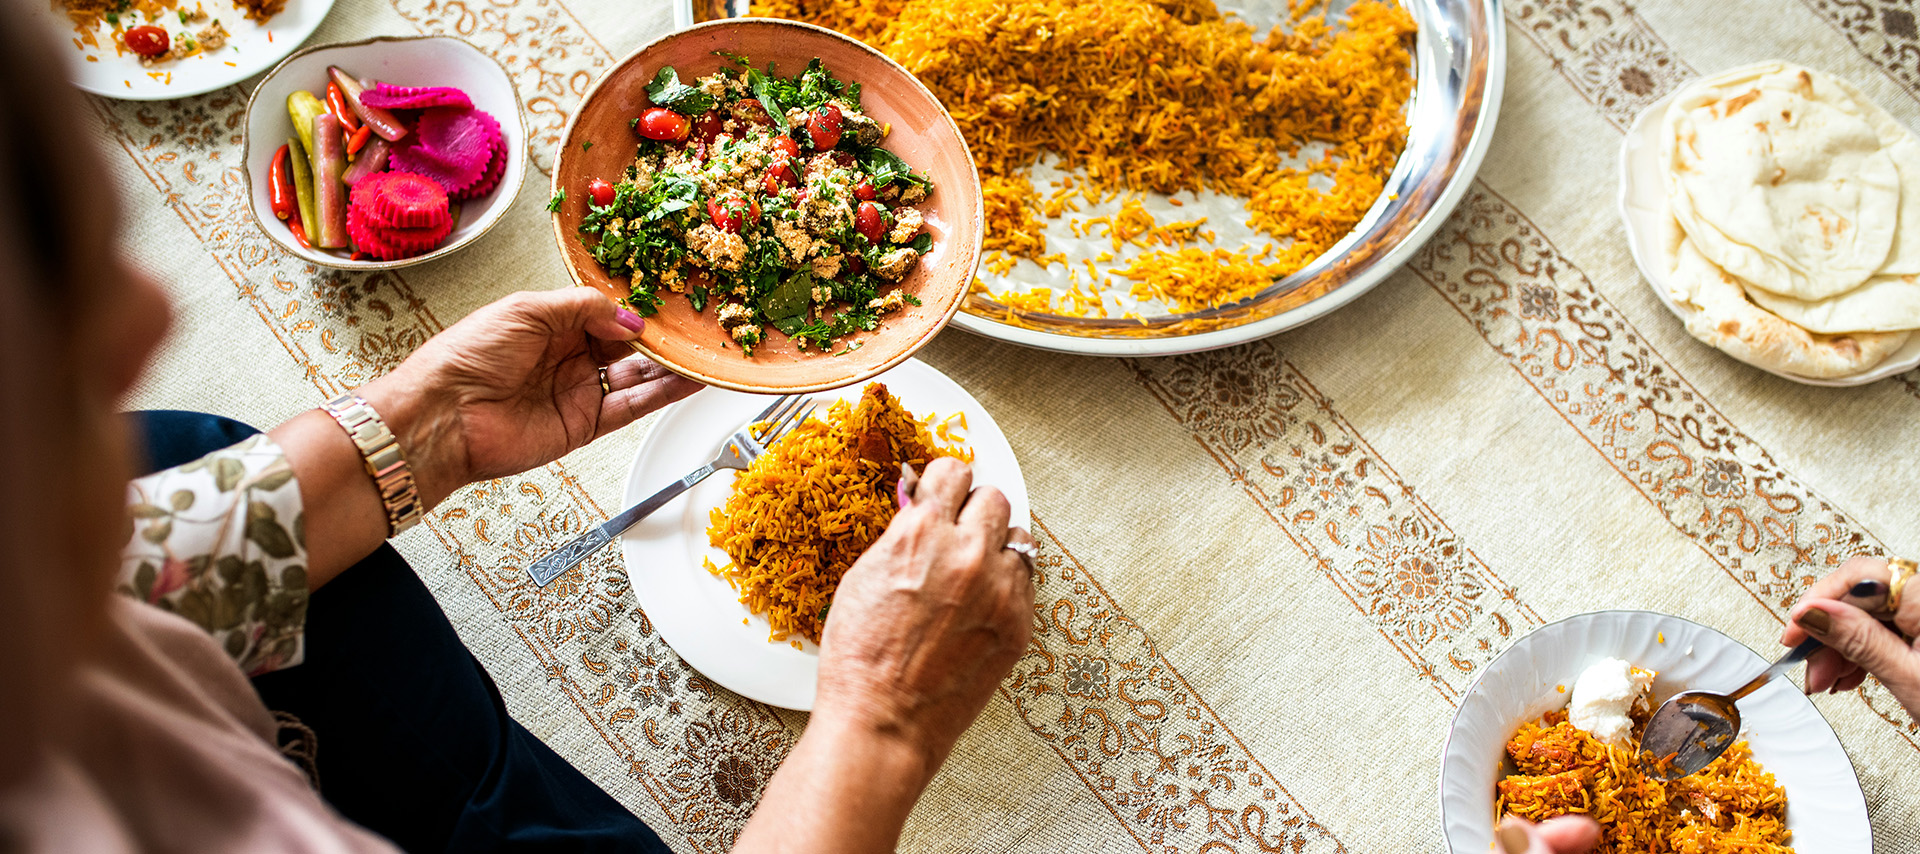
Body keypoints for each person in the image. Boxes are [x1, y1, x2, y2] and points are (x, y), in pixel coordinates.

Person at [0, 13, 1034, 853]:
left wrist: (431, 425)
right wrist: (879, 728)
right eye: (52, 283)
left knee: (169, 445)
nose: (153, 317)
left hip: (304, 730)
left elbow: (109, 575)